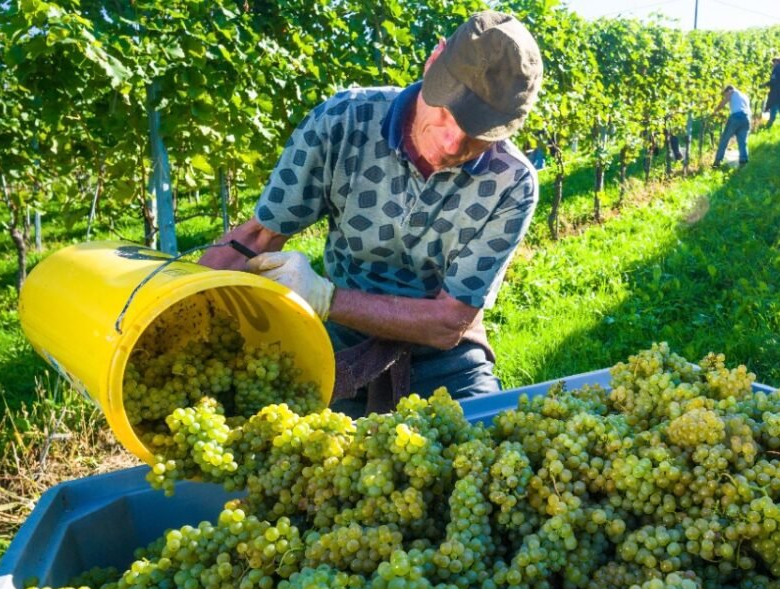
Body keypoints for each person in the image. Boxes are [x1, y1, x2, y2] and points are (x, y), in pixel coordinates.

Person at [198, 11, 543, 416]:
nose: (452, 144)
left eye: (480, 136)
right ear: (435, 61)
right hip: (339, 341)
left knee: (483, 448)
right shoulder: (343, 122)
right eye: (448, 114)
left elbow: (450, 321)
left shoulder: (511, 182)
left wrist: (325, 297)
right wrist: (175, 313)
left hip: (444, 358)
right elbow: (256, 238)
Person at [712, 83, 751, 167]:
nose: (725, 96)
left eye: (725, 94)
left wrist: (715, 111)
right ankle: (743, 161)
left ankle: (717, 161)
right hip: (747, 118)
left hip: (736, 117)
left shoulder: (732, 92)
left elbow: (724, 102)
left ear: (728, 90)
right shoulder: (744, 96)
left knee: (724, 139)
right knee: (742, 141)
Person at [763, 57, 780, 127]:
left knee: (773, 108)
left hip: (776, 92)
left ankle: (769, 125)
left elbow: (773, 81)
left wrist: (765, 84)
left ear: (777, 62)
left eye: (774, 62)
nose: (773, 64)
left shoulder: (776, 69)